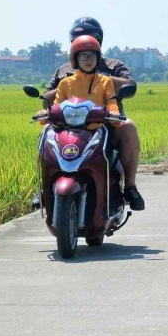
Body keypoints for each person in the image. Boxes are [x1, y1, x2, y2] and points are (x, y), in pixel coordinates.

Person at [48, 27, 145, 211]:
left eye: (91, 49)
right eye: (79, 43)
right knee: (46, 133)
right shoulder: (64, 73)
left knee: (129, 126)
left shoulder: (112, 67)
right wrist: (70, 79)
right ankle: (45, 184)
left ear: (98, 42)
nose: (87, 57)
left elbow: (129, 86)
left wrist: (102, 77)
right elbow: (49, 98)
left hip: (106, 124)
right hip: (68, 126)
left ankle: (130, 187)